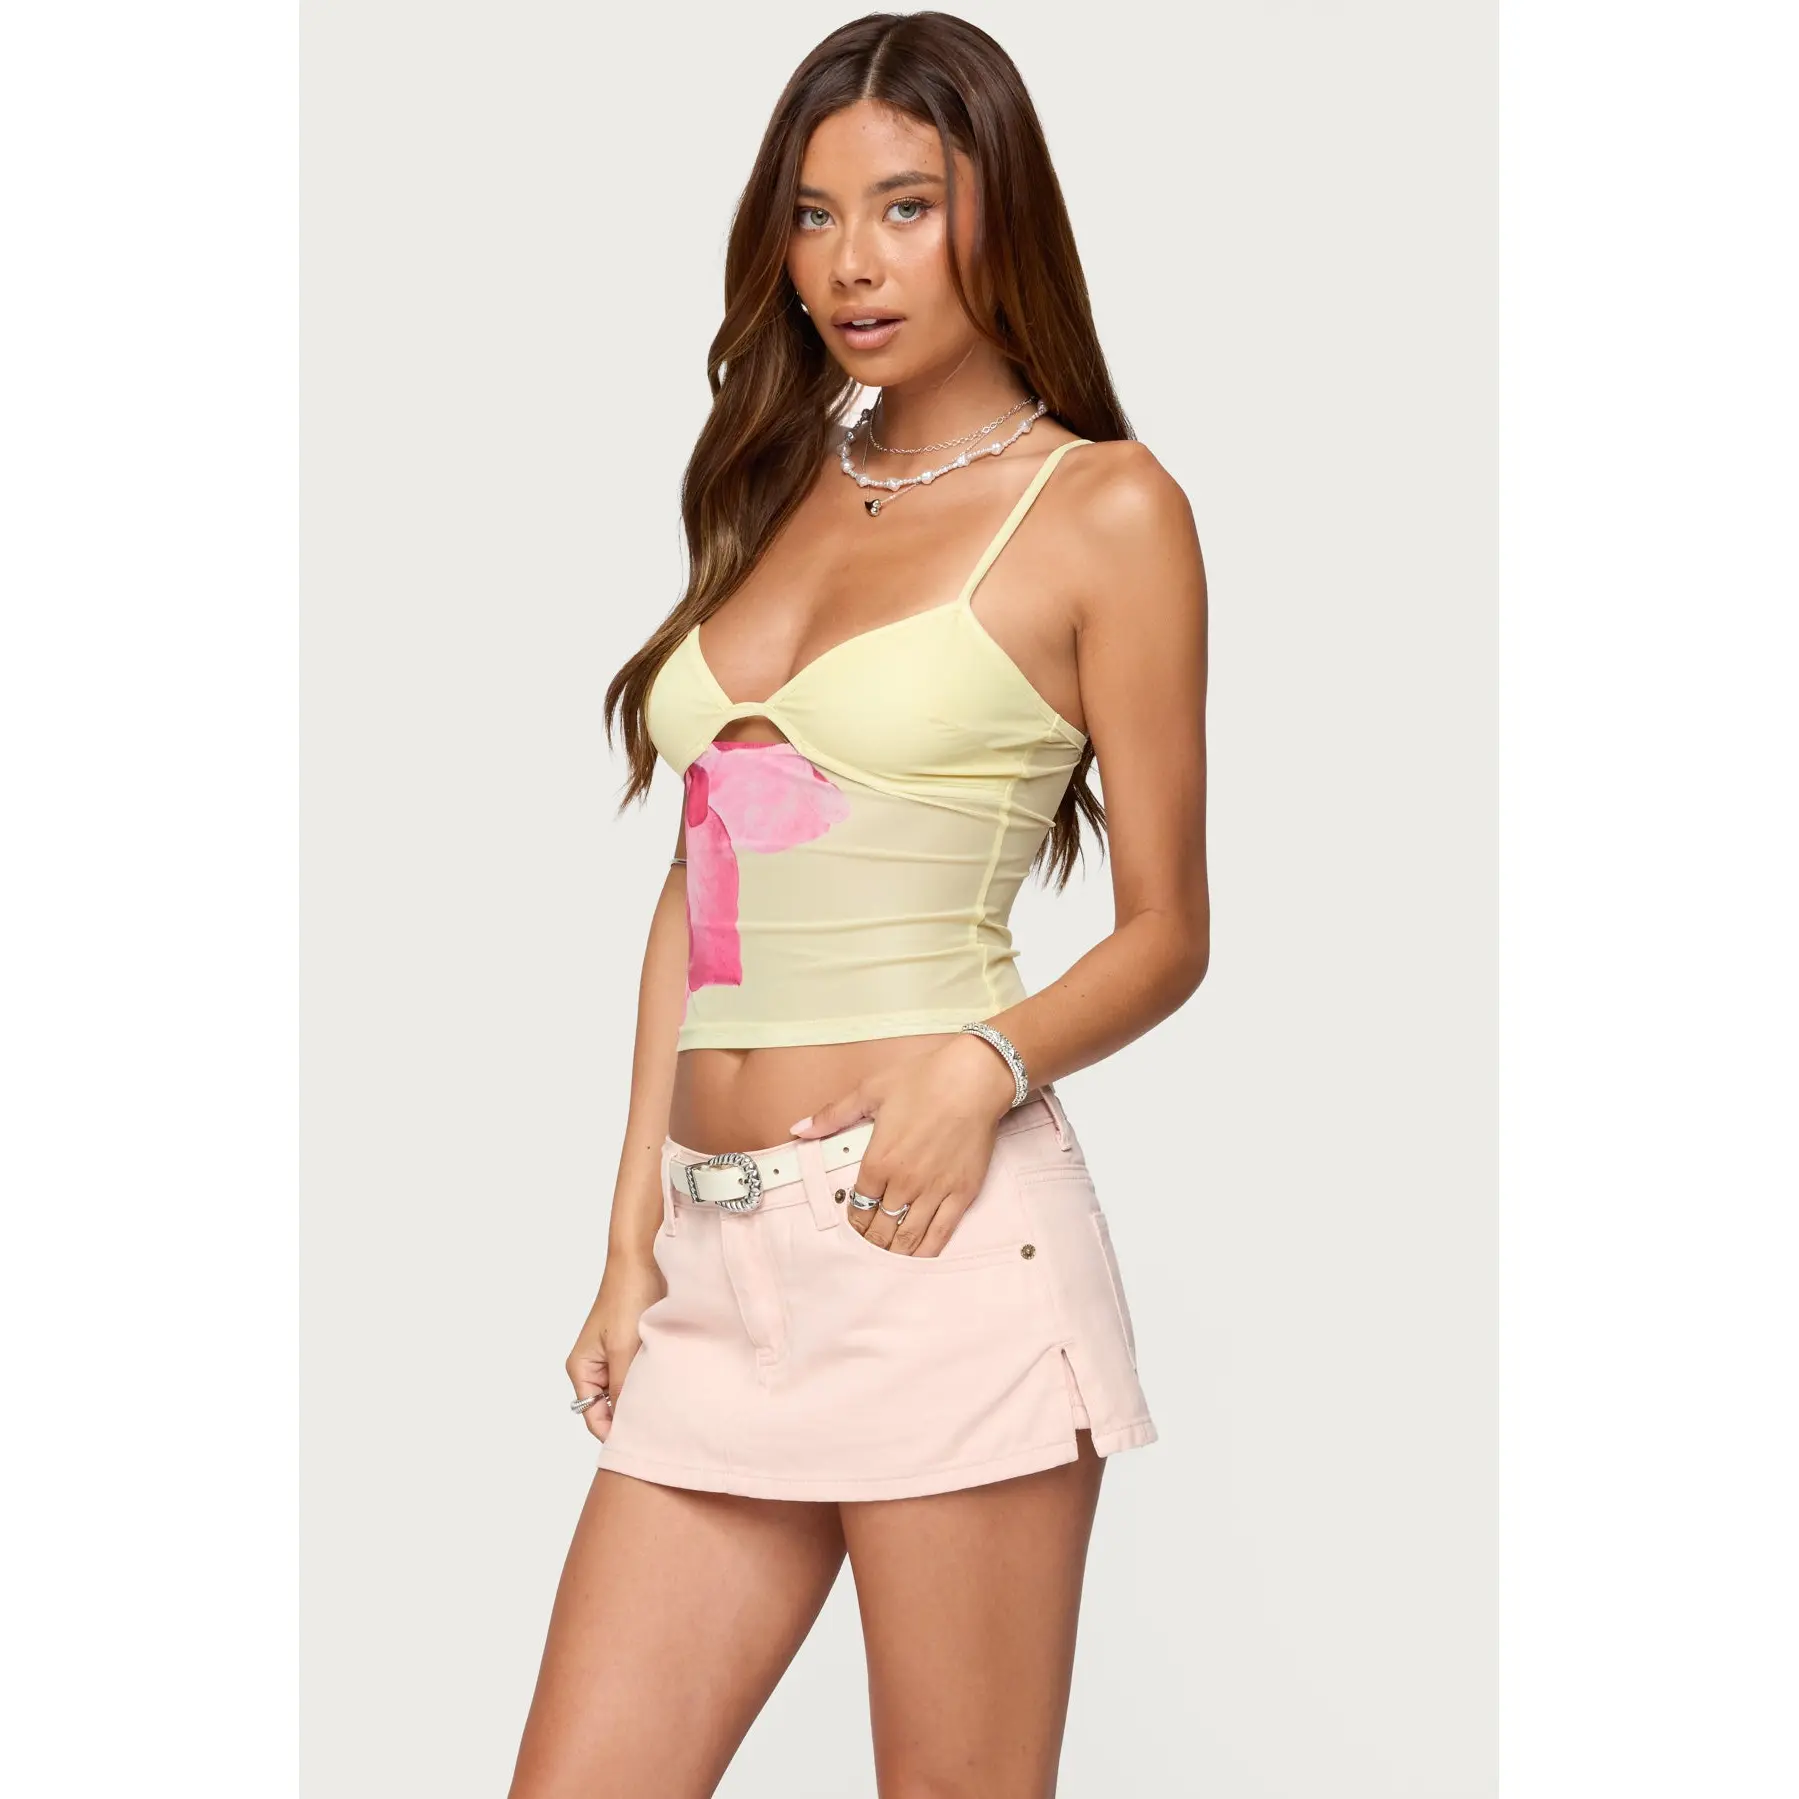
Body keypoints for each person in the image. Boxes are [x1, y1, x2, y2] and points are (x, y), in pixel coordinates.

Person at [507, 13, 1208, 1797]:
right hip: (716, 1260)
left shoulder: (1105, 508)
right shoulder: (778, 479)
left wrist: (983, 1063)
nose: (850, 264)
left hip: (934, 1244)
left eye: (905, 207)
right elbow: (702, 879)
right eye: (814, 216)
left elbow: (1167, 930)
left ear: (1000, 216)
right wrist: (628, 1237)